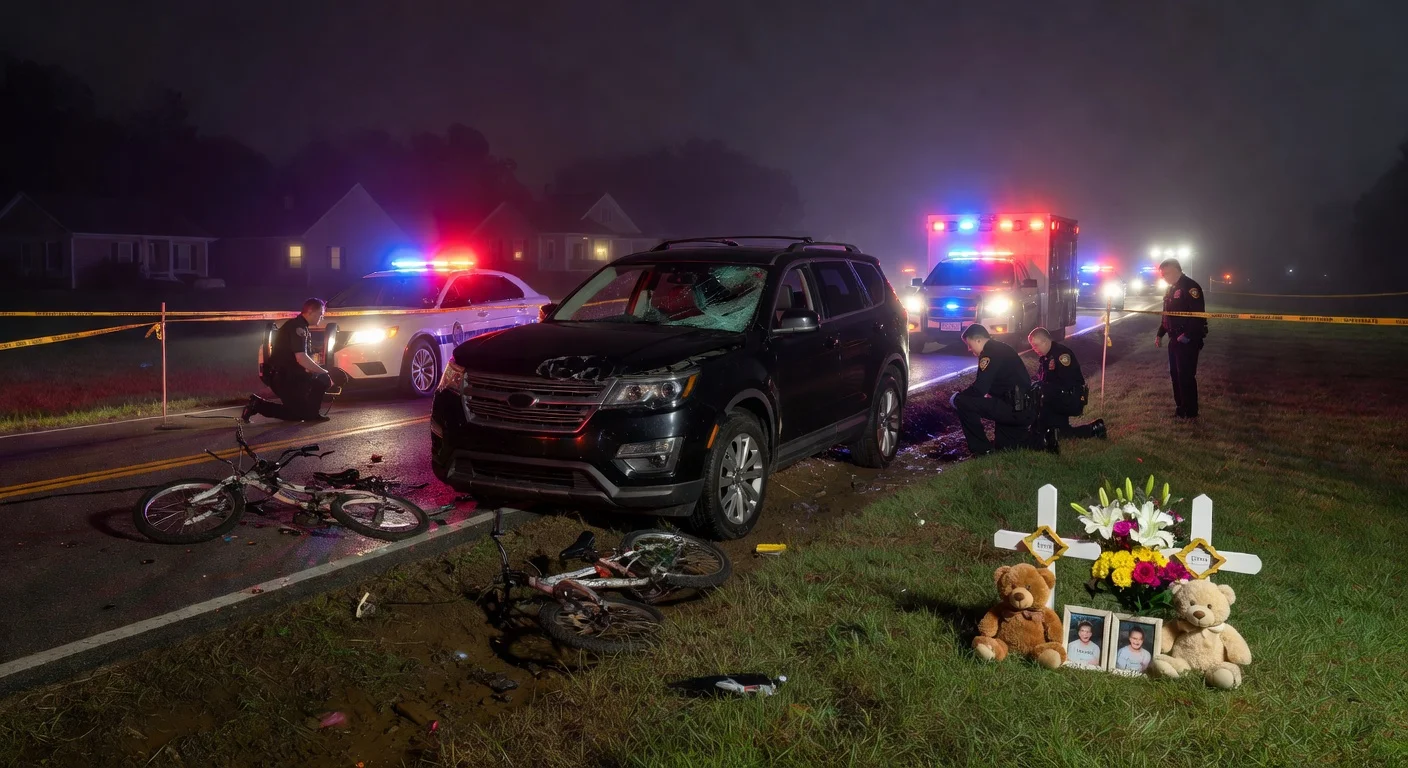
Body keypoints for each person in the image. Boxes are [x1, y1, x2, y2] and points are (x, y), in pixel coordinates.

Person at [950, 324, 1040, 456]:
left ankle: (982, 450)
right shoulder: (1001, 348)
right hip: (1022, 408)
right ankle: (1043, 439)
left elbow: (980, 389)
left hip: (1013, 408)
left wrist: (957, 397)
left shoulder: (988, 354)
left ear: (978, 340)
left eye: (969, 345)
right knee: (1006, 447)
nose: (969, 349)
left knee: (962, 402)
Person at [242, 298, 335, 423]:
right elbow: (301, 357)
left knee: (300, 411)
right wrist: (324, 372)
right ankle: (258, 405)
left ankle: (311, 414)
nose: (322, 317)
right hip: (285, 378)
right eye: (320, 314)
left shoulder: (301, 327)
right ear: (311, 311)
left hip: (293, 376)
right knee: (298, 413)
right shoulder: (297, 328)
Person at [1028, 327, 1106, 447]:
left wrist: (1044, 389)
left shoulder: (1061, 355)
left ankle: (1094, 429)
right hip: (1055, 397)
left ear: (1044, 341)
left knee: (1059, 433)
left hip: (1068, 398)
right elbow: (1043, 379)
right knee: (1041, 428)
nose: (1034, 349)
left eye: (1035, 345)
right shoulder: (1046, 356)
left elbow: (1067, 383)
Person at [1154, 258, 1208, 419]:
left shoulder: (1190, 287)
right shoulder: (1171, 289)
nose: (1164, 277)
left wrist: (1188, 335)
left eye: (1166, 273)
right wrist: (1160, 333)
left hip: (1186, 340)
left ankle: (1191, 412)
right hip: (1173, 339)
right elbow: (1167, 315)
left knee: (1186, 375)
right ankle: (1180, 408)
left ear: (1176, 270)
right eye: (1162, 275)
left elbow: (1198, 315)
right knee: (1175, 375)